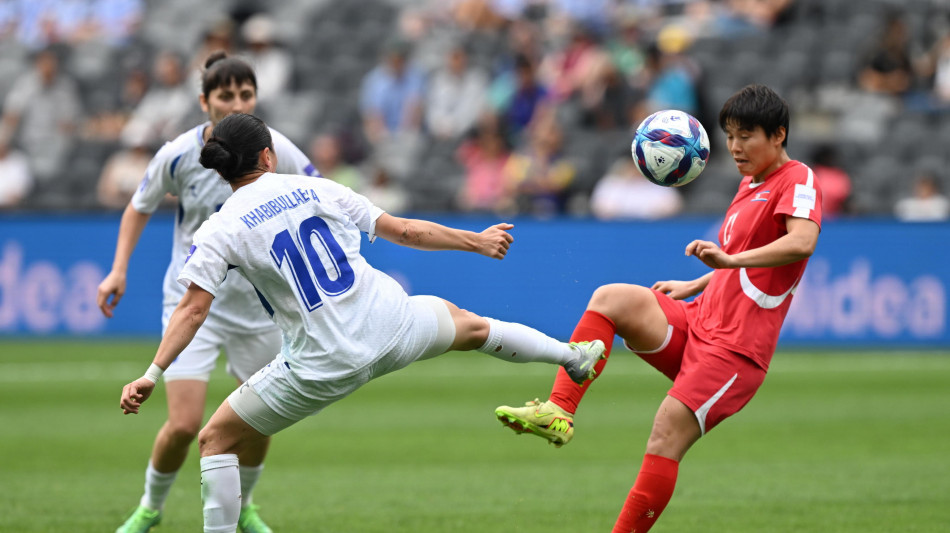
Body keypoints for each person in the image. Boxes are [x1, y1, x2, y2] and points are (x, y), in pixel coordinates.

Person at [118, 112, 606, 532]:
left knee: (215, 440)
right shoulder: (315, 186)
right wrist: (475, 241)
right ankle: (574, 357)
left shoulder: (220, 227)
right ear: (268, 156)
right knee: (472, 326)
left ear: (226, 169)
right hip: (392, 326)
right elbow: (406, 231)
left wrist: (152, 372)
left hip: (320, 365)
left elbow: (192, 309)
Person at [495, 84, 822, 532]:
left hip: (736, 352)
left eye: (747, 135)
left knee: (666, 431)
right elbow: (743, 259)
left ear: (779, 134)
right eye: (729, 135)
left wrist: (728, 261)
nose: (734, 147)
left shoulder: (799, 179)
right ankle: (559, 410)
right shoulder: (750, 184)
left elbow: (801, 242)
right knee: (612, 299)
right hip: (701, 320)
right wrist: (697, 282)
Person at [98, 52, 320, 533]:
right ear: (204, 101)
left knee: (259, 421)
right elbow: (138, 207)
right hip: (194, 304)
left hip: (261, 308)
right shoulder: (178, 154)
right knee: (183, 424)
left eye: (246, 93)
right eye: (226, 94)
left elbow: (318, 197)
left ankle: (246, 507)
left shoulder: (277, 148)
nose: (236, 101)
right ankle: (149, 509)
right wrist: (118, 270)